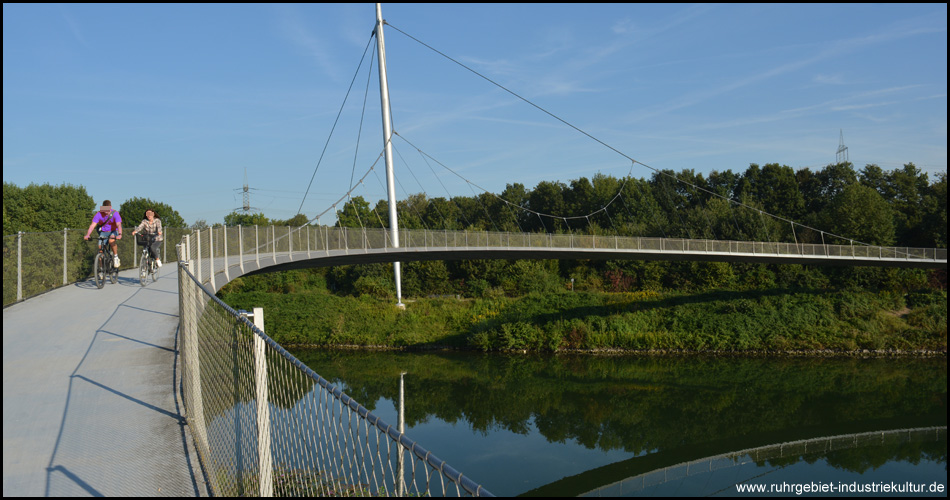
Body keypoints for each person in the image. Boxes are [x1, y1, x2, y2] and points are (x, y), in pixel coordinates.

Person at [84, 200, 123, 267]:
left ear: (110, 207)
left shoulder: (115, 213)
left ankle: (116, 257)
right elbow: (93, 225)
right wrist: (88, 235)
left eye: (107, 210)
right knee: (100, 250)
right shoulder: (99, 214)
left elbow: (118, 224)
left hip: (113, 231)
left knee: (111, 240)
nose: (106, 213)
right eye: (104, 210)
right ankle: (101, 269)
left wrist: (120, 234)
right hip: (103, 232)